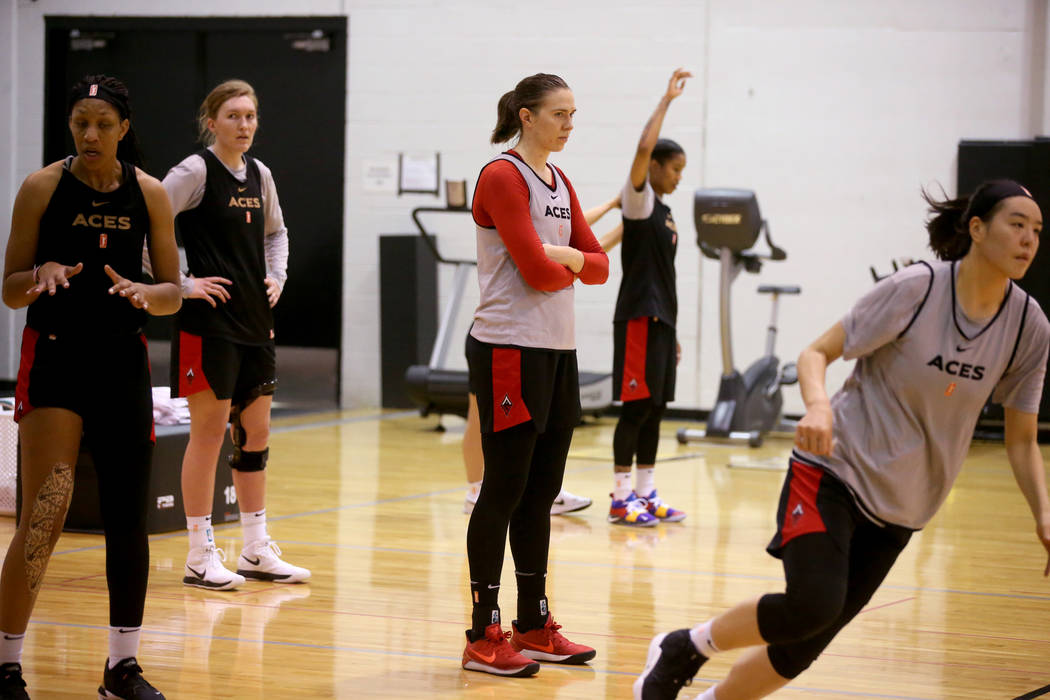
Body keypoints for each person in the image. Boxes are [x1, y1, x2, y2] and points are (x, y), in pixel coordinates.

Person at [633, 179, 1050, 699]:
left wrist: (1043, 513)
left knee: (804, 644)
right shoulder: (917, 289)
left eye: (1036, 229)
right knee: (812, 605)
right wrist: (820, 407)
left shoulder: (1028, 326)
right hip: (833, 469)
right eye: (1017, 225)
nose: (1029, 239)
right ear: (976, 228)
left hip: (905, 506)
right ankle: (685, 647)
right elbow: (816, 353)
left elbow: (1021, 440)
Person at [1, 74, 181, 699]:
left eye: (104, 123)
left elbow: (171, 292)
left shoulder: (150, 193)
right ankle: (5, 666)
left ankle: (121, 668)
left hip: (121, 364)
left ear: (124, 129)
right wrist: (41, 272)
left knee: (127, 520)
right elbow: (10, 287)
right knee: (46, 509)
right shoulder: (42, 186)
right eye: (81, 122)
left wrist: (143, 292)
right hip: (55, 358)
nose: (91, 134)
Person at [461, 73, 609, 677]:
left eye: (573, 114)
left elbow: (595, 265)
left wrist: (571, 257)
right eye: (559, 114)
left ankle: (531, 622)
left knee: (542, 492)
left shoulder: (559, 179)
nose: (569, 124)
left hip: (557, 351)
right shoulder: (502, 176)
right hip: (507, 350)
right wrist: (573, 261)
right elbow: (535, 271)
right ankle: (482, 633)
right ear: (526, 116)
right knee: (504, 488)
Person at [162, 80, 309, 590]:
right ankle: (199, 554)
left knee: (256, 435)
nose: (244, 125)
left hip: (254, 323)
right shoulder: (194, 171)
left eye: (250, 115)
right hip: (208, 327)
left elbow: (277, 232)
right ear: (212, 121)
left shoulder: (260, 174)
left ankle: (254, 549)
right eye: (233, 116)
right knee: (206, 435)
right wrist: (180, 284)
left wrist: (278, 276)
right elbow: (148, 224)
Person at [461, 194, 620, 517]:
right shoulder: (519, 218)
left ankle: (524, 488)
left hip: (527, 336)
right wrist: (625, 226)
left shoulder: (553, 222)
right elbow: (588, 247)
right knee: (481, 418)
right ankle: (477, 489)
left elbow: (579, 230)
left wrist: (614, 205)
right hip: (502, 337)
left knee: (536, 425)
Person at [605, 69, 691, 527]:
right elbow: (642, 146)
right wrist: (666, 100)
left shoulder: (668, 213)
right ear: (654, 167)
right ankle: (620, 500)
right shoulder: (638, 201)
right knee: (636, 410)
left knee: (656, 409)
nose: (678, 177)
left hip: (661, 322)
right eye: (674, 168)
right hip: (638, 317)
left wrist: (673, 330)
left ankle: (644, 493)